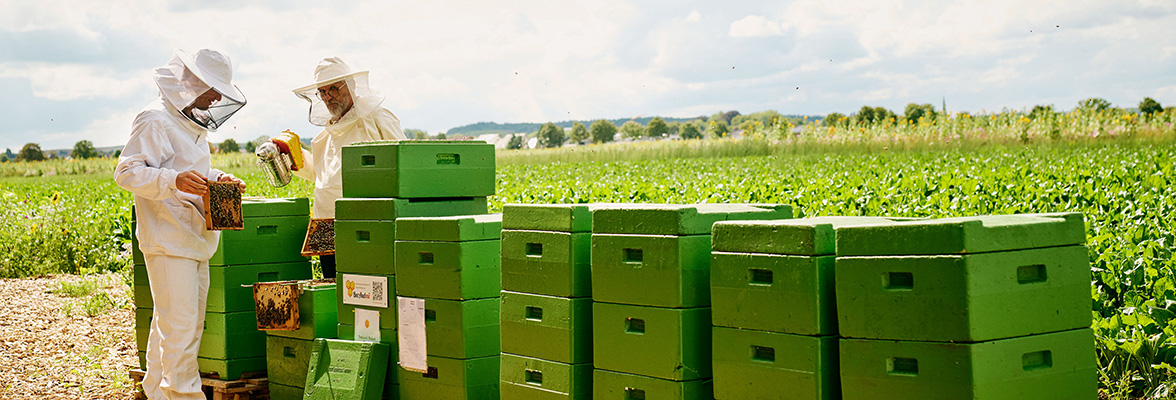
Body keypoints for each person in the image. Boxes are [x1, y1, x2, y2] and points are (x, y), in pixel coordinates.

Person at [115, 49, 247, 400]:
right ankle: (182, 395)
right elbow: (127, 172)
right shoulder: (154, 119)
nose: (218, 97)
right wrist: (172, 181)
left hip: (194, 237)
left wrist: (218, 179)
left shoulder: (188, 121)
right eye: (214, 88)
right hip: (168, 238)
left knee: (170, 326)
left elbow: (191, 172)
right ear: (192, 81)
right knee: (182, 330)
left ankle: (156, 393)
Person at [290, 57, 406, 278]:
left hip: (370, 226)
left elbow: (406, 164)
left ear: (351, 85)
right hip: (328, 229)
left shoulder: (378, 119)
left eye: (334, 89)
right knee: (335, 294)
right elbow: (323, 177)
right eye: (323, 92)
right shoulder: (325, 136)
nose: (328, 97)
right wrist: (291, 156)